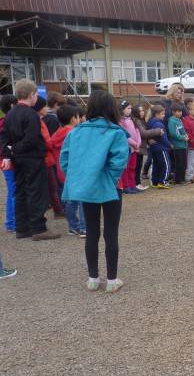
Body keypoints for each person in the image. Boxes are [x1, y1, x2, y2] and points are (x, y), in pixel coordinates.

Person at [60, 90, 129, 292]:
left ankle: (93, 278)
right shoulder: (116, 132)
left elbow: (65, 160)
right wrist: (108, 179)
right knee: (111, 232)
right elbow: (119, 162)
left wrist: (80, 178)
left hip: (87, 187)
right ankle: (112, 280)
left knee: (91, 231)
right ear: (112, 108)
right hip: (111, 188)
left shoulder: (75, 132)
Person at [0, 80, 59, 240]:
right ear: (31, 95)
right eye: (36, 95)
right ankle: (38, 228)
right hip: (32, 157)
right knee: (36, 191)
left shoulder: (10, 114)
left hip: (17, 159)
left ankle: (22, 227)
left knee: (20, 191)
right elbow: (32, 138)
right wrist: (16, 148)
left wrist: (9, 152)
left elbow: (4, 137)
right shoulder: (31, 114)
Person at [50, 104, 86, 237]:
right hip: (76, 170)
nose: (80, 119)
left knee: (70, 199)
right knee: (82, 198)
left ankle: (73, 226)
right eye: (78, 117)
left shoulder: (57, 133)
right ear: (73, 118)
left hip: (62, 170)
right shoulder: (75, 133)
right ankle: (84, 227)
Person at [34, 97, 66, 218]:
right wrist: (51, 145)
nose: (46, 109)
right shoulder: (41, 121)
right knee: (53, 186)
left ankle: (56, 208)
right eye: (44, 106)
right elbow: (47, 141)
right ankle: (58, 209)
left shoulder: (41, 120)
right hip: (47, 158)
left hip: (44, 157)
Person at [132, 104, 161, 190]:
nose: (142, 112)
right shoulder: (137, 121)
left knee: (139, 165)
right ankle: (136, 183)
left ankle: (137, 183)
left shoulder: (141, 120)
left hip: (141, 146)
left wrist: (148, 140)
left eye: (142, 110)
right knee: (137, 166)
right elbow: (143, 133)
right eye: (140, 111)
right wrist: (158, 131)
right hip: (138, 146)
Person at [1, 94, 18, 232]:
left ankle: (11, 222)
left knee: (12, 191)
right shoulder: (6, 123)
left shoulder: (4, 121)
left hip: (5, 161)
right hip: (8, 161)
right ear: (12, 106)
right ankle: (13, 223)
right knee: (14, 192)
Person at [119, 101, 142, 194]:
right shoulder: (120, 121)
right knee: (126, 168)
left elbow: (137, 131)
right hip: (128, 148)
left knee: (133, 167)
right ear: (122, 110)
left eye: (131, 108)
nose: (130, 110)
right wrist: (133, 143)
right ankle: (126, 186)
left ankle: (132, 185)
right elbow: (124, 135)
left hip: (134, 148)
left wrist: (138, 142)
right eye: (128, 108)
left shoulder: (132, 119)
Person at [146, 105, 171, 189]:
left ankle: (155, 181)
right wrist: (169, 145)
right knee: (166, 165)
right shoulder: (159, 124)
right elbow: (163, 138)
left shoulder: (150, 122)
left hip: (154, 148)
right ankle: (163, 181)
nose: (164, 115)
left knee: (156, 165)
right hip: (161, 148)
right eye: (162, 114)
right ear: (156, 114)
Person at [167, 103, 188, 184]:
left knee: (184, 163)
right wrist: (183, 138)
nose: (180, 113)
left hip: (183, 145)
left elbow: (182, 131)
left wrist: (186, 135)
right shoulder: (172, 121)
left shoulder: (179, 120)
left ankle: (182, 178)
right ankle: (179, 179)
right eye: (178, 111)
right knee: (179, 163)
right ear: (173, 112)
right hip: (177, 146)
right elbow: (173, 134)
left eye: (181, 111)